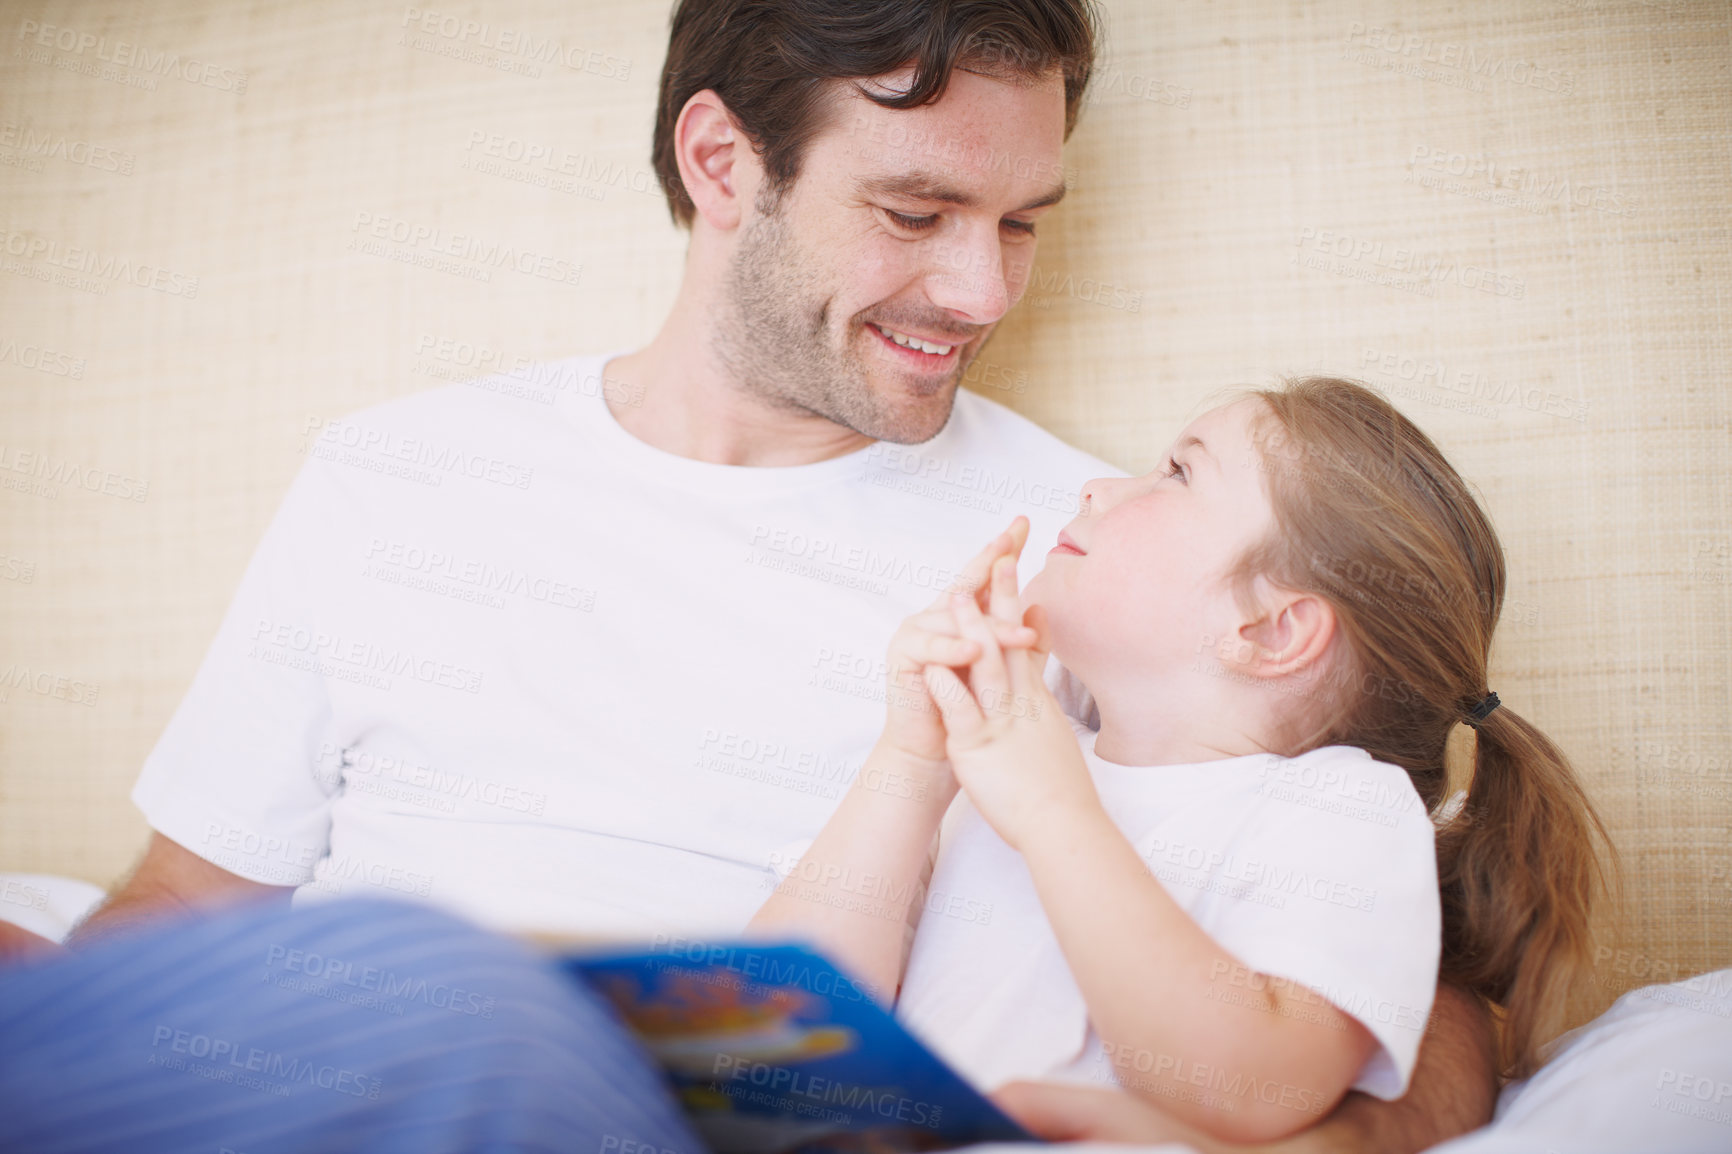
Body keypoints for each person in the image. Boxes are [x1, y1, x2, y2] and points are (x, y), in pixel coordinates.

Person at [14, 1, 1500, 1147]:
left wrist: (1302, 1135)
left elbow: (1395, 989)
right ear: (723, 162)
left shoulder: (1080, 564)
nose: (981, 291)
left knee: (454, 989)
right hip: (337, 1071)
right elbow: (187, 908)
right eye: (916, 214)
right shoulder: (394, 471)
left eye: (1022, 225)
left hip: (673, 1089)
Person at [751, 379, 1611, 1142]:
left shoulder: (1338, 811)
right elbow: (762, 1037)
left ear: (1270, 630)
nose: (1096, 486)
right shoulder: (1001, 766)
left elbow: (1255, 1085)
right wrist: (913, 757)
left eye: (1177, 472)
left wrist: (1055, 815)